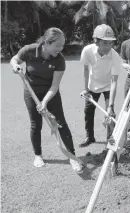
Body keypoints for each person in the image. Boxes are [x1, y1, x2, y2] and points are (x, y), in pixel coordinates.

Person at [10, 27, 83, 172]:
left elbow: (55, 86)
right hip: (31, 92)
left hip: (51, 93)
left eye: (62, 45)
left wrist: (44, 102)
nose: (61, 48)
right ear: (47, 43)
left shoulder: (59, 60)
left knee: (61, 123)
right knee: (35, 124)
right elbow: (14, 59)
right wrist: (15, 66)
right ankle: (38, 155)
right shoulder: (29, 50)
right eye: (58, 45)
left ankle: (72, 157)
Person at [79, 24, 121, 147]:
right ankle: (89, 137)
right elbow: (86, 71)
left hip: (108, 86)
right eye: (105, 43)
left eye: (110, 43)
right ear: (96, 42)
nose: (109, 46)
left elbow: (114, 81)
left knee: (110, 113)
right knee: (88, 111)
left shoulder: (115, 56)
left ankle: (110, 138)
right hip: (93, 86)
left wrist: (111, 105)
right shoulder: (87, 51)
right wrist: (86, 89)